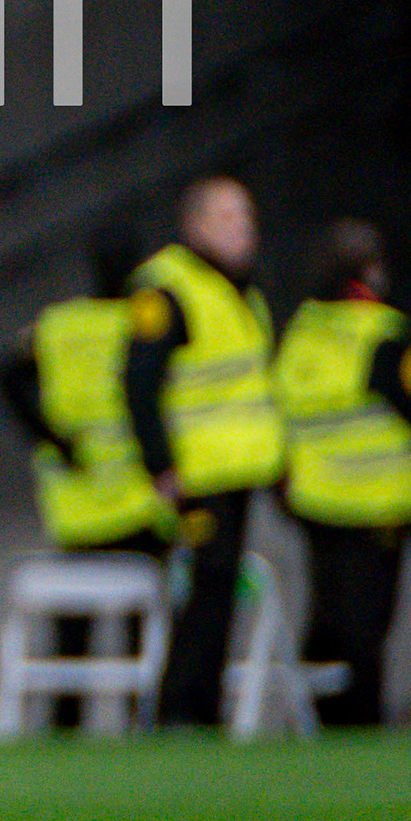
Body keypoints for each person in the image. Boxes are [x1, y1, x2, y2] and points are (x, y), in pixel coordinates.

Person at [0, 223, 168, 728]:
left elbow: (8, 375)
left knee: (72, 639)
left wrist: (50, 438)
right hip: (139, 500)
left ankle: (63, 734)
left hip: (76, 505)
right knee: (143, 636)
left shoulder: (59, 325)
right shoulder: (145, 324)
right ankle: (142, 732)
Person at [274, 221, 411, 729]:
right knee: (367, 629)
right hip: (379, 506)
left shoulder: (300, 333)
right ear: (369, 272)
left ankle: (317, 720)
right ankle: (362, 726)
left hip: (315, 504)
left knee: (326, 618)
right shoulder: (381, 335)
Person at [125, 175, 282, 728]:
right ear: (195, 226)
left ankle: (204, 713)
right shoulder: (169, 290)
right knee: (200, 597)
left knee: (219, 595)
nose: (243, 229)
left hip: (237, 470)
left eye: (247, 217)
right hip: (196, 475)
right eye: (228, 217)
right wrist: (162, 465)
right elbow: (139, 385)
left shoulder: (240, 292)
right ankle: (179, 714)